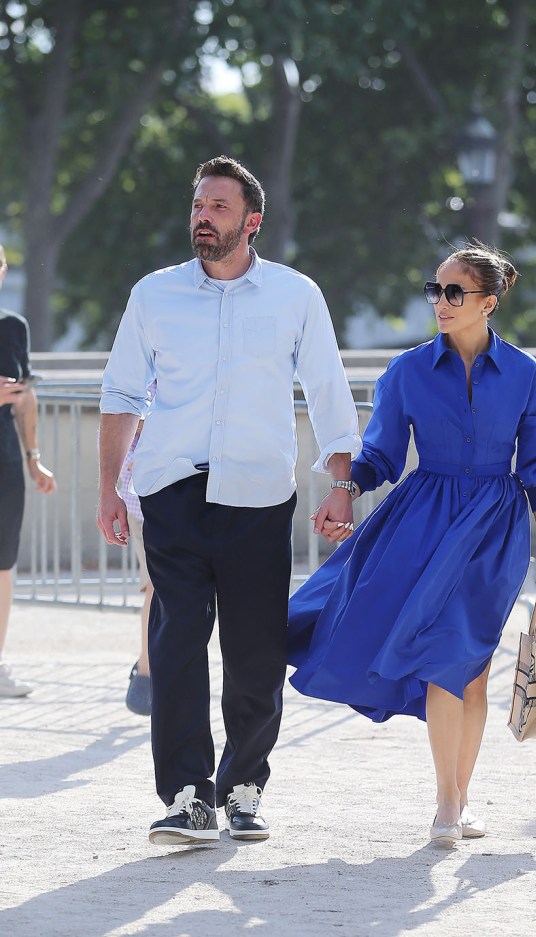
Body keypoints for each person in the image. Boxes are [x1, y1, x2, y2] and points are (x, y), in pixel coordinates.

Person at [97, 156, 360, 846]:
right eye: (197, 205)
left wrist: (341, 480)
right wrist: (109, 490)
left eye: (217, 206)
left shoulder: (296, 295)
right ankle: (187, 796)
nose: (202, 216)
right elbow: (122, 395)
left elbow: (328, 391)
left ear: (252, 221)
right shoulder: (153, 295)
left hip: (258, 493)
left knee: (255, 650)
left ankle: (243, 785)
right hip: (172, 488)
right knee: (177, 639)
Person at [288, 243, 536, 847]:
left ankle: (460, 799)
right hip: (424, 523)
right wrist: (345, 489)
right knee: (447, 658)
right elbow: (382, 452)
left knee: (473, 668)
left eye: (454, 293)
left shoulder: (524, 373)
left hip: (497, 528)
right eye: (435, 291)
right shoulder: (407, 370)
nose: (440, 303)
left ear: (488, 303)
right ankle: (447, 804)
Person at [0, 243, 57, 697]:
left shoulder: (13, 327)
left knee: (3, 564)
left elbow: (26, 395)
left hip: (5, 462)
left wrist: (34, 457)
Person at [117, 416, 154, 716]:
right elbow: (130, 415)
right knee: (158, 588)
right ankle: (146, 672)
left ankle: (149, 668)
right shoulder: (145, 368)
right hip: (145, 499)